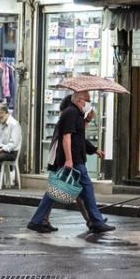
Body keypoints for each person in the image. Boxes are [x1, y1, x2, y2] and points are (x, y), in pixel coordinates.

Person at [28, 91, 115, 234]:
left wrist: (88, 124)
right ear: (80, 100)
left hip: (75, 159)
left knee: (55, 191)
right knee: (87, 189)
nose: (88, 103)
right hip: (73, 160)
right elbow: (66, 137)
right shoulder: (71, 113)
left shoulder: (76, 114)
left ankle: (37, 220)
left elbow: (78, 137)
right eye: (87, 100)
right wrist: (69, 159)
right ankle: (96, 222)